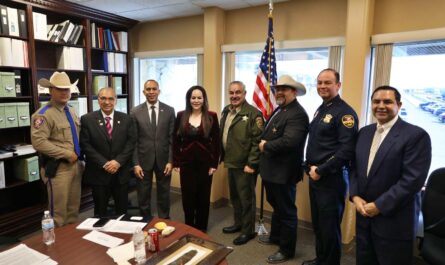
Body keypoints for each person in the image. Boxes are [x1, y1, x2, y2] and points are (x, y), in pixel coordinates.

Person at [350, 85, 431, 265]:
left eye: (387, 102)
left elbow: (412, 181)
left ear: (399, 105)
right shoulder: (364, 132)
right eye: (376, 101)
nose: (381, 106)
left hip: (394, 220)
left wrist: (378, 206)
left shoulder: (416, 135)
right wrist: (355, 196)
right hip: (364, 216)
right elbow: (354, 167)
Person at [303, 68, 358, 265]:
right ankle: (321, 259)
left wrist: (321, 170)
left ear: (338, 85)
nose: (322, 86)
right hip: (316, 175)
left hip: (330, 178)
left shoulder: (345, 113)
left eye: (327, 82)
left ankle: (330, 262)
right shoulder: (322, 108)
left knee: (329, 226)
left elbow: (346, 150)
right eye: (319, 82)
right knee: (319, 224)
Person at [258, 75, 309, 264]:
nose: (279, 92)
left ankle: (286, 250)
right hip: (272, 171)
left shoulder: (297, 113)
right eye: (277, 89)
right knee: (277, 207)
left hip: (283, 172)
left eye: (284, 89)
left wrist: (265, 146)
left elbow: (290, 142)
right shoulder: (281, 109)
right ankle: (276, 237)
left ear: (293, 92)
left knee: (286, 211)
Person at [31, 71, 83, 226]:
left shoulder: (71, 110)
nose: (64, 92)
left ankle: (70, 246)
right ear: (50, 90)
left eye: (66, 89)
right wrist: (66, 154)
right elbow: (39, 142)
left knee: (73, 210)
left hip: (76, 166)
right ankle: (56, 247)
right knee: (58, 214)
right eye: (59, 89)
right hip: (58, 169)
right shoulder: (42, 115)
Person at [80, 87, 136, 217]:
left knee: (122, 211)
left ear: (116, 100)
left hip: (120, 173)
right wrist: (105, 163)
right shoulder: (87, 119)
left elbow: (131, 143)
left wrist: (118, 162)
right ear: (98, 100)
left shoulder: (126, 119)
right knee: (100, 212)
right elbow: (85, 145)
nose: (107, 102)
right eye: (103, 98)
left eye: (111, 98)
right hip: (98, 173)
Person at [220, 81, 264, 245]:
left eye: (238, 92)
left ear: (244, 94)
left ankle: (248, 231)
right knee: (235, 197)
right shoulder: (226, 111)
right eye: (231, 92)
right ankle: (238, 224)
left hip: (245, 165)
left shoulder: (253, 114)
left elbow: (257, 141)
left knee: (246, 199)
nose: (234, 96)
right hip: (231, 162)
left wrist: (252, 164)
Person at [173, 85, 220, 232]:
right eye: (193, 97)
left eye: (199, 97)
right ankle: (189, 227)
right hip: (186, 164)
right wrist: (176, 162)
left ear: (204, 99)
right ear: (189, 99)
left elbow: (216, 142)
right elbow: (175, 141)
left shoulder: (211, 116)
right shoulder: (181, 115)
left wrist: (214, 164)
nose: (196, 100)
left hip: (205, 165)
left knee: (203, 198)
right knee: (188, 198)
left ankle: (201, 229)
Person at [131, 79, 175, 219]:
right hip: (143, 160)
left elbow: (171, 138)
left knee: (164, 193)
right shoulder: (135, 111)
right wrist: (136, 163)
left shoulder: (169, 110)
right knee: (143, 194)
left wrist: (170, 161)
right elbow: (133, 140)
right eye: (148, 89)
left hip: (164, 160)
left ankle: (164, 219)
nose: (151, 92)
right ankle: (145, 219)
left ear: (159, 91)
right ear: (144, 92)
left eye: (154, 89)